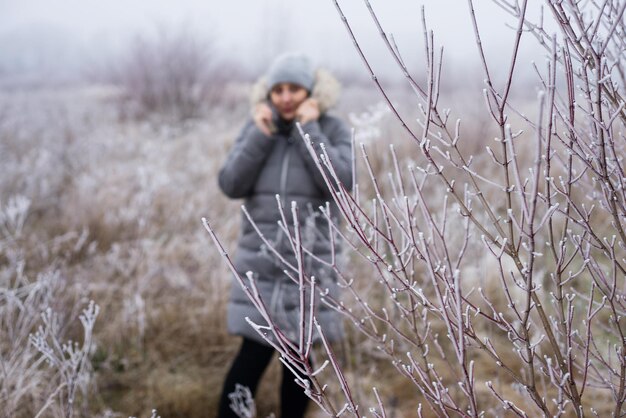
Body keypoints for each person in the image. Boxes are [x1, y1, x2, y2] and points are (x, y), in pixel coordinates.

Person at [216, 52, 353, 417]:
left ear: (311, 91)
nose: (286, 97)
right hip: (258, 264)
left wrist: (309, 130)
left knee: (298, 362)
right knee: (250, 358)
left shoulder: (332, 128)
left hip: (308, 266)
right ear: (268, 93)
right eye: (278, 90)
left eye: (294, 88)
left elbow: (339, 183)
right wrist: (260, 136)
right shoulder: (257, 127)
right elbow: (231, 183)